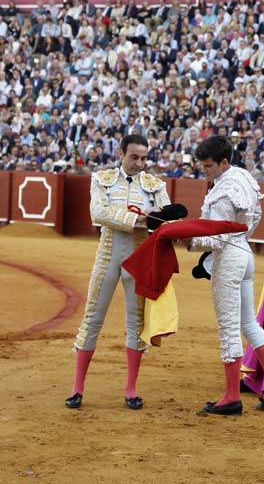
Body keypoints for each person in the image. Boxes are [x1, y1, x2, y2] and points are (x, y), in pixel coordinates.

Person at [65, 134, 171, 410]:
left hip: (140, 258)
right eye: (134, 157)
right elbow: (98, 213)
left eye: (144, 158)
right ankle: (77, 388)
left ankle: (131, 389)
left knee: (136, 322)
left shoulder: (154, 184)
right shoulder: (101, 179)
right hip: (108, 255)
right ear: (121, 154)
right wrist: (139, 218)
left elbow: (167, 217)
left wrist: (158, 219)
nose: (140, 163)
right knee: (92, 318)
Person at [186, 136, 264, 415]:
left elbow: (216, 238)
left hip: (228, 259)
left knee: (229, 327)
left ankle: (232, 396)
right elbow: (254, 217)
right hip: (245, 253)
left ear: (224, 162)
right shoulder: (242, 177)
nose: (204, 171)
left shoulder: (221, 192)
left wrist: (189, 240)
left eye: (208, 166)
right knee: (248, 323)